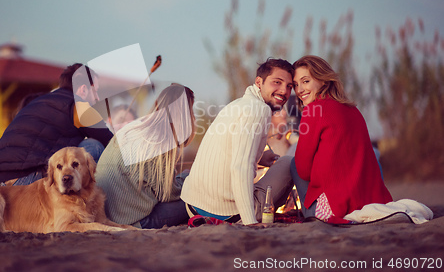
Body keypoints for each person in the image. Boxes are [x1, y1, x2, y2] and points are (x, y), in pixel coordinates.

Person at [181, 58, 295, 225]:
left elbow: (228, 150)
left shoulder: (238, 105)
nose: (284, 91)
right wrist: (250, 222)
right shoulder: (259, 109)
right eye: (276, 82)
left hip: (192, 206)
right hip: (227, 213)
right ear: (259, 82)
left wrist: (261, 158)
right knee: (289, 162)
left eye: (289, 86)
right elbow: (241, 167)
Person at [291, 55, 392, 221]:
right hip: (368, 202)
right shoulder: (353, 110)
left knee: (293, 164)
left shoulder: (313, 110)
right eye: (295, 85)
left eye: (306, 81)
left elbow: (302, 170)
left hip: (334, 209)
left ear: (323, 80)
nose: (300, 89)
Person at [0, 63, 113, 187]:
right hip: (26, 181)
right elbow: (112, 143)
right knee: (93, 146)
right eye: (95, 91)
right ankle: (85, 205)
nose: (97, 98)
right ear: (84, 89)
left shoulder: (37, 102)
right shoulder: (79, 106)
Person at [95, 84, 196, 229]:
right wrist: (187, 178)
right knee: (195, 199)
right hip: (130, 221)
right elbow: (168, 194)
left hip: (104, 215)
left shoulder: (134, 128)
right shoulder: (159, 141)